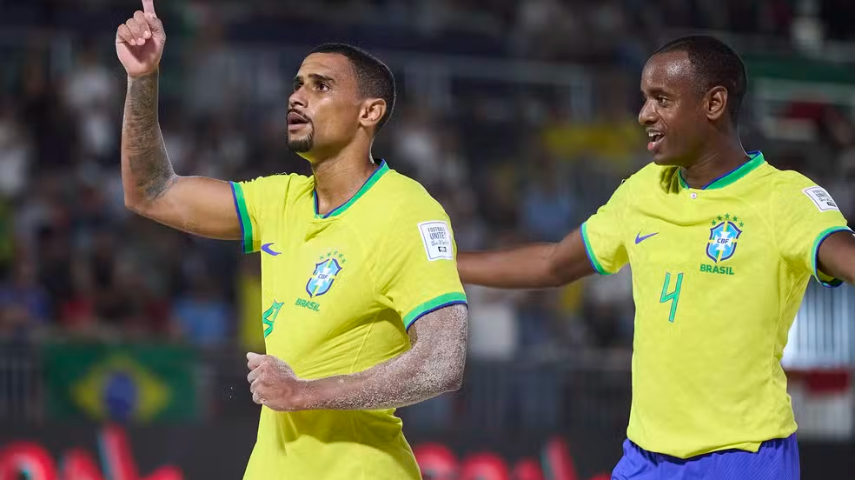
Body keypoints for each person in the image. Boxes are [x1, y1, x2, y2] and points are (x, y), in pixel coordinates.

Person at [457, 35, 855, 480]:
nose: (644, 114)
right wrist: (445, 264)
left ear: (714, 103)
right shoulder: (643, 190)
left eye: (662, 100)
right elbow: (553, 263)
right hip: (646, 458)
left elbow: (846, 255)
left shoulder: (783, 197)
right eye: (645, 99)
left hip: (744, 457)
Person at [114, 2, 469, 479]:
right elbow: (151, 192)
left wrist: (304, 393)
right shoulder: (280, 199)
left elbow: (443, 360)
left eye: (321, 86)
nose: (297, 96)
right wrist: (143, 79)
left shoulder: (407, 212)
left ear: (369, 112)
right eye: (298, 83)